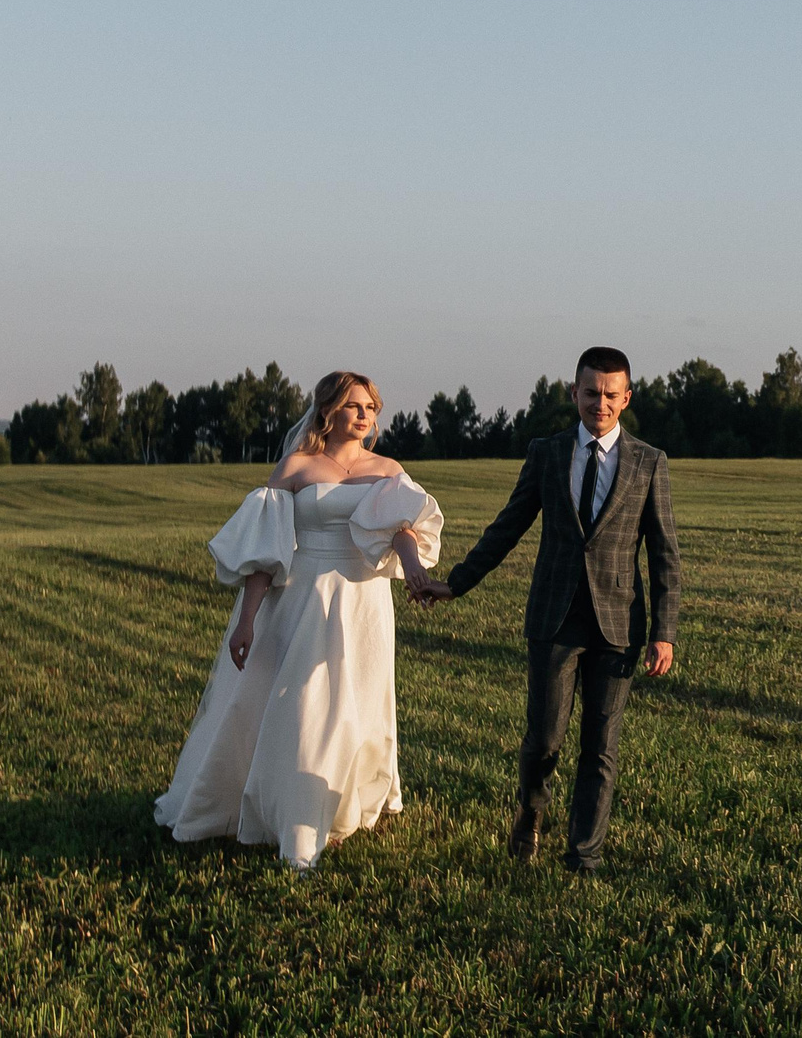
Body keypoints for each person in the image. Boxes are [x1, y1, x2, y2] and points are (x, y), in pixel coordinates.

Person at [154, 370, 444, 871]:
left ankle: (337, 803)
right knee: (303, 708)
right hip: (303, 598)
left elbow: (401, 531)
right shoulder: (296, 467)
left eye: (371, 409)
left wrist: (415, 570)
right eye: (355, 406)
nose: (364, 416)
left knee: (353, 707)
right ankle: (294, 823)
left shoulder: (387, 469)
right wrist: (246, 622)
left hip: (364, 604)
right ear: (328, 409)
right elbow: (268, 552)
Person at [411, 346, 680, 870]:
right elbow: (508, 526)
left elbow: (665, 553)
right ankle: (531, 814)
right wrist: (457, 583)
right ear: (572, 392)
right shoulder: (548, 452)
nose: (598, 402)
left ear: (626, 398)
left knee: (601, 746)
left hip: (619, 625)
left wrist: (664, 631)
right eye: (589, 392)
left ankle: (584, 854)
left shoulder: (650, 462)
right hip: (554, 621)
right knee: (545, 740)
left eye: (609, 394)